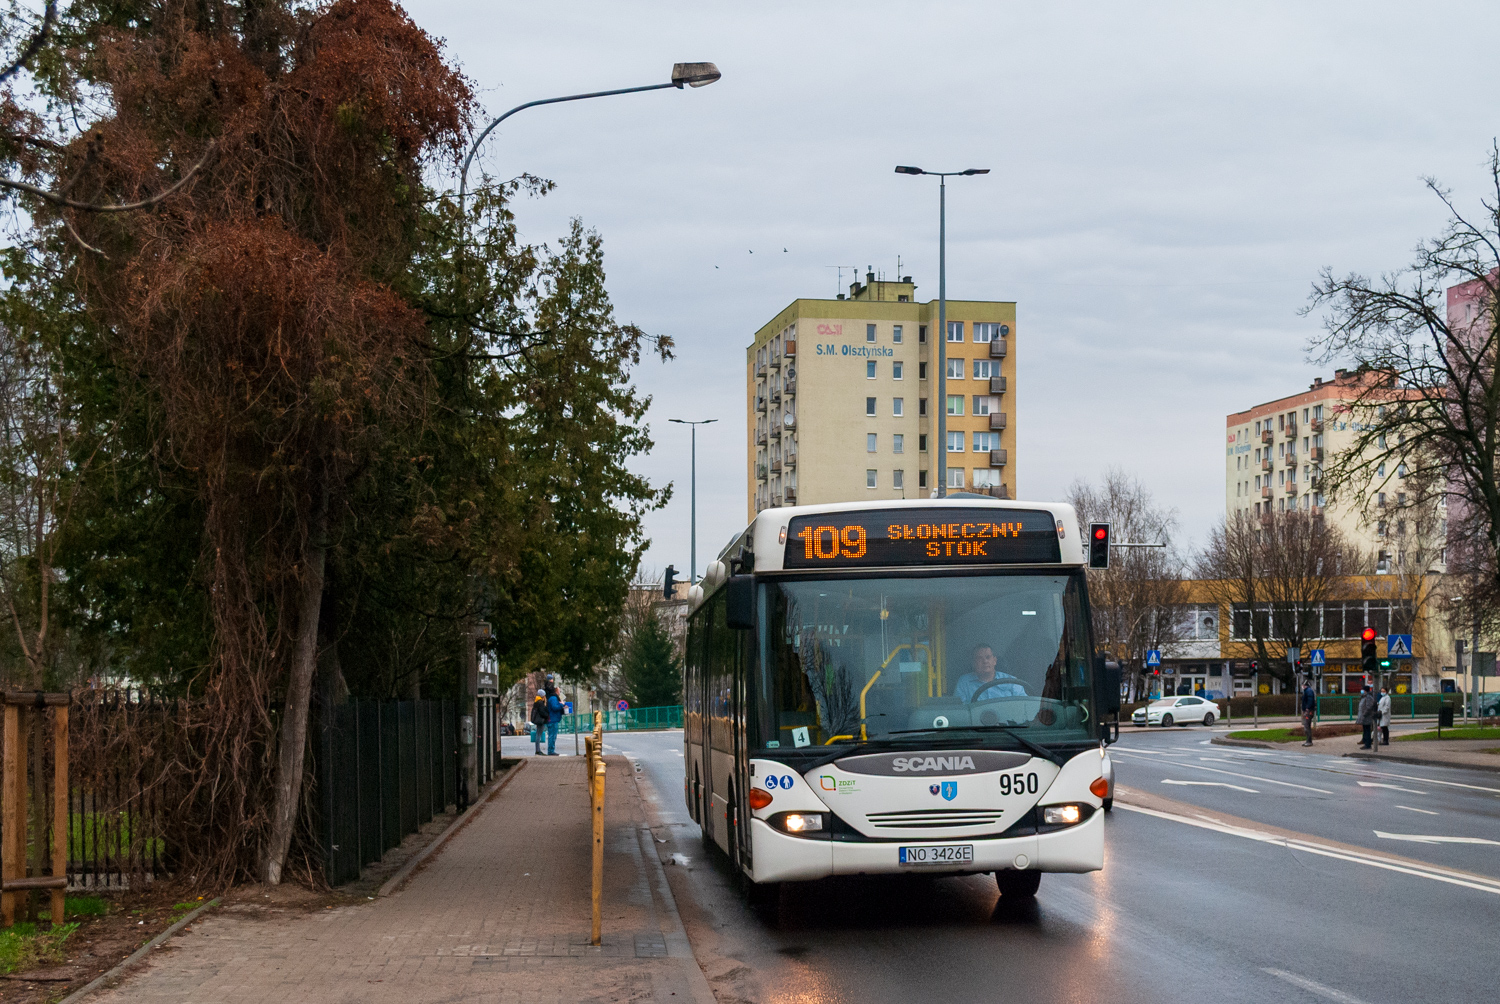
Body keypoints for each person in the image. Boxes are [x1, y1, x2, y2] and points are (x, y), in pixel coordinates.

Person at [954, 644, 1026, 702]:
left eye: (988, 657)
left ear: (994, 661)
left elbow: (1024, 705)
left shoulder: (1012, 681)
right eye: (979, 658)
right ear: (973, 663)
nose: (985, 661)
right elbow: (960, 709)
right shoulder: (964, 682)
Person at [529, 688, 549, 755]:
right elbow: (542, 712)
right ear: (542, 695)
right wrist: (547, 715)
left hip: (538, 720)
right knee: (538, 735)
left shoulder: (536, 701)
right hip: (541, 720)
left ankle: (538, 750)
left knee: (538, 734)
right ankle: (538, 750)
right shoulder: (540, 702)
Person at [545, 685, 564, 756]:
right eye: (559, 690)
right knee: (552, 736)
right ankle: (551, 751)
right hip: (553, 719)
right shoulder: (553, 698)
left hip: (553, 719)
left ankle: (551, 750)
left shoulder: (552, 698)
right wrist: (561, 705)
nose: (560, 692)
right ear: (556, 691)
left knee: (552, 735)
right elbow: (555, 707)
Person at [1356, 686, 1377, 750]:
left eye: (1362, 690)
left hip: (1367, 717)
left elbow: (1369, 707)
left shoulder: (1368, 697)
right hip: (1364, 717)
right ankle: (1365, 742)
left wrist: (1364, 714)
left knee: (1367, 730)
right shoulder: (1364, 697)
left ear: (1365, 690)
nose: (1361, 691)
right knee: (1365, 730)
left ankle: (1368, 744)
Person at [1300, 679, 1317, 746]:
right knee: (1307, 726)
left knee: (1307, 726)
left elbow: (1310, 700)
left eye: (1302, 685)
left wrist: (1307, 708)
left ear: (1305, 685)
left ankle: (1309, 741)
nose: (1302, 686)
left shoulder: (1308, 691)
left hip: (1308, 711)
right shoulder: (1308, 691)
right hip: (1309, 710)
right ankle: (1308, 740)